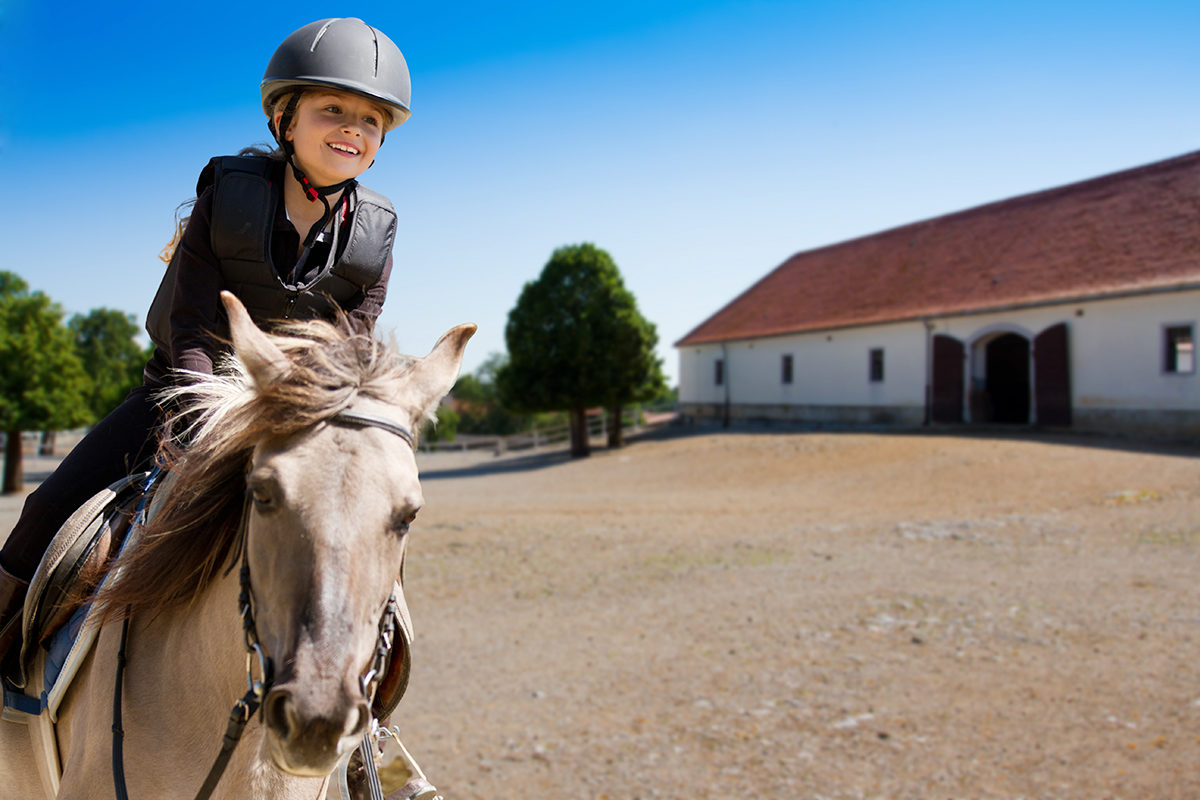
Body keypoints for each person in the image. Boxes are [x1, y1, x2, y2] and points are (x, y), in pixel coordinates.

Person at [0, 17, 412, 665]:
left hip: (292, 420)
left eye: (371, 121)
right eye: (332, 109)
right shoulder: (228, 197)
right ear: (285, 119)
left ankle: (368, 723)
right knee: (44, 510)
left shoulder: (377, 235)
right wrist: (207, 423)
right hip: (184, 400)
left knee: (376, 551)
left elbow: (349, 355)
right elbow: (189, 327)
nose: (352, 130)